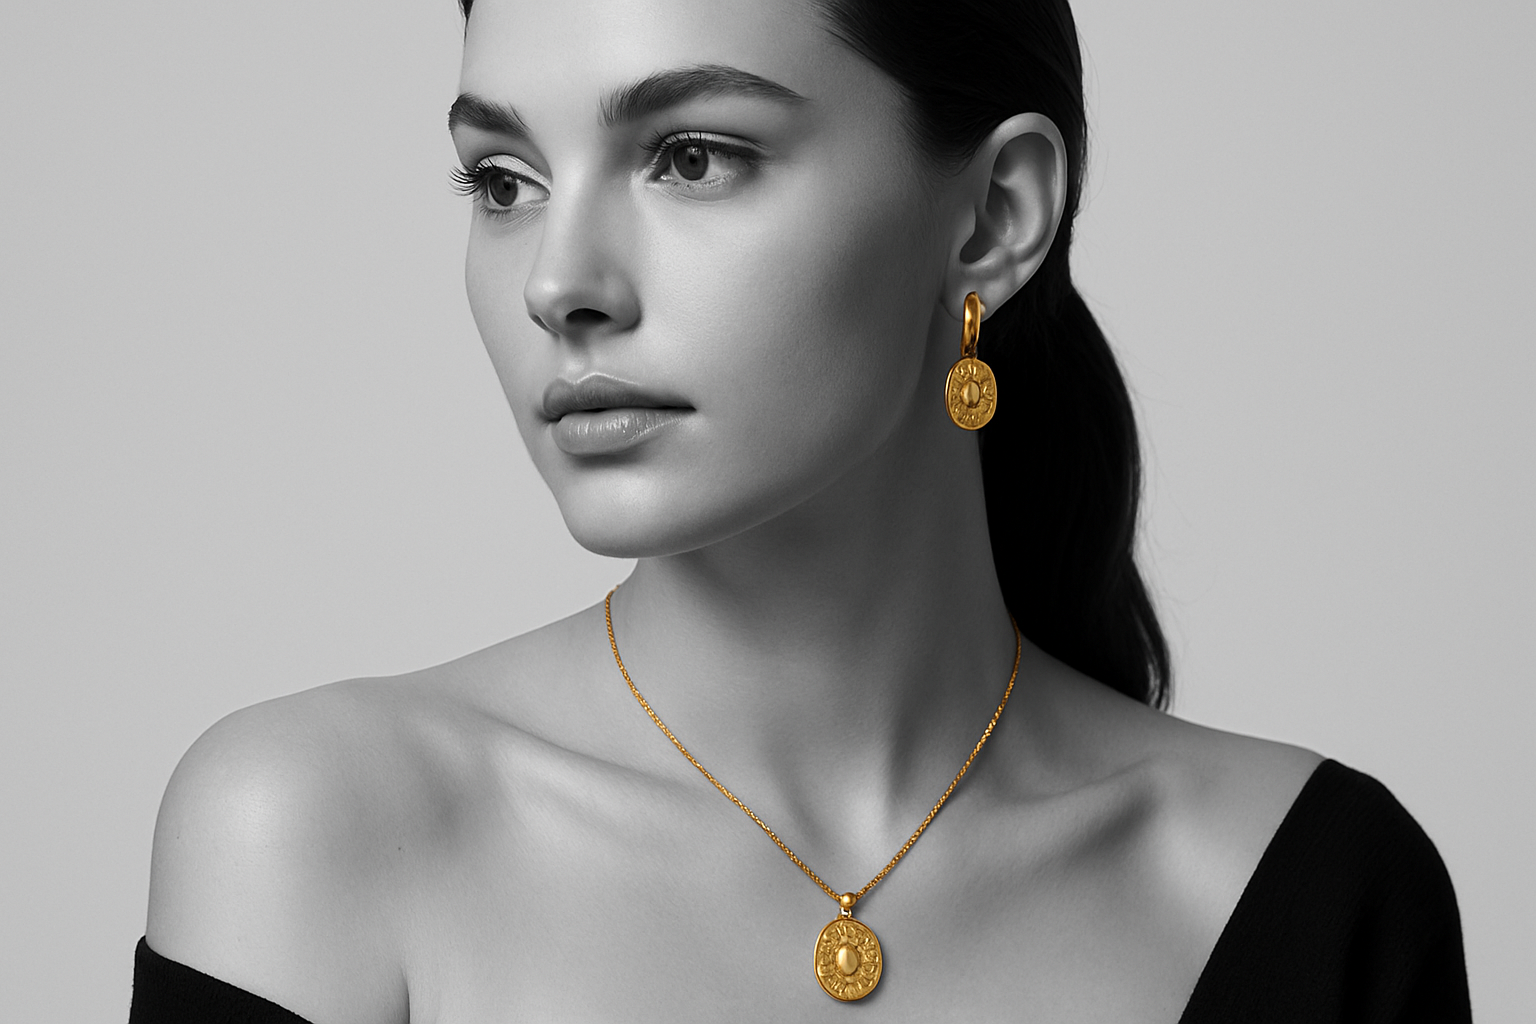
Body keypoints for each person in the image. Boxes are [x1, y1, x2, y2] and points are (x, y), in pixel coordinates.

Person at [128, 0, 1470, 1020]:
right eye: (503, 181)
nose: (559, 283)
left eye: (692, 157)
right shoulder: (313, 828)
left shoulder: (1308, 886)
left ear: (995, 218)